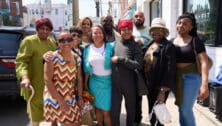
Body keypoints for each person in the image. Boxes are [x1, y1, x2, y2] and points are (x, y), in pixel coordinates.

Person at [15, 18, 57, 126]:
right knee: (36, 118)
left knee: (52, 116)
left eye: (47, 29)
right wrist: (24, 77)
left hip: (50, 85)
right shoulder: (29, 41)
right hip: (34, 86)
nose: (45, 31)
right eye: (42, 28)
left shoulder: (51, 42)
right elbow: (21, 61)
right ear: (37, 29)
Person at [172, 12, 209, 126]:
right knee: (181, 108)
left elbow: (204, 62)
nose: (181, 25)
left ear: (191, 27)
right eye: (179, 23)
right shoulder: (171, 41)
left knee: (185, 109)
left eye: (185, 24)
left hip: (191, 78)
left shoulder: (195, 41)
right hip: (176, 79)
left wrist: (204, 84)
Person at [43, 31, 83, 126]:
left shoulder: (77, 58)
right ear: (58, 42)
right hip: (54, 95)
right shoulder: (52, 57)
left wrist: (80, 97)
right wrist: (61, 101)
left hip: (69, 94)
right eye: (62, 40)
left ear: (73, 41)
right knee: (71, 122)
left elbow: (79, 79)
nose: (66, 43)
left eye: (69, 40)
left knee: (76, 121)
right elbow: (47, 80)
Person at [143, 18, 176, 126]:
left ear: (164, 32)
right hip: (150, 85)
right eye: (154, 29)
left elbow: (170, 70)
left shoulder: (168, 46)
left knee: (158, 114)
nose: (156, 32)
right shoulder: (150, 44)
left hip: (160, 86)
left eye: (159, 30)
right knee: (152, 112)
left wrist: (163, 91)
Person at [111, 19, 143, 126]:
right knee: (115, 110)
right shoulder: (114, 44)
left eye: (128, 29)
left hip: (130, 83)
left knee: (131, 109)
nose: (126, 32)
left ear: (132, 30)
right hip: (115, 83)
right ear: (120, 31)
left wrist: (122, 59)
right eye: (123, 29)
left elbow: (138, 65)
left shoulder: (135, 45)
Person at [83, 25, 113, 126]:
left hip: (108, 83)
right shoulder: (87, 49)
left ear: (103, 35)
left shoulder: (110, 46)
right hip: (94, 83)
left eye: (100, 32)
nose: (98, 35)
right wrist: (85, 84)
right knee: (97, 109)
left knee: (106, 111)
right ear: (91, 35)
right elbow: (87, 69)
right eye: (95, 33)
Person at [132, 11, 151, 124]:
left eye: (141, 16)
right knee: (136, 94)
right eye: (136, 16)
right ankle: (137, 119)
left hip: (148, 64)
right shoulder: (130, 29)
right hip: (135, 64)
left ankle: (153, 118)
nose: (138, 18)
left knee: (150, 93)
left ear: (144, 18)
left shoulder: (149, 30)